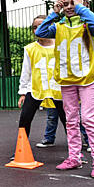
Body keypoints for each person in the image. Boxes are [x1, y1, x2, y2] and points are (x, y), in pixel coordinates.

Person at [35, 0, 94, 178]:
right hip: (67, 80)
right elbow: (40, 32)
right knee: (71, 120)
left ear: (84, 5)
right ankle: (74, 157)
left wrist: (80, 7)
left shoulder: (88, 25)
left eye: (73, 3)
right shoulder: (59, 27)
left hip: (87, 80)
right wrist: (54, 12)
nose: (69, 7)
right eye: (65, 3)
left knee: (89, 119)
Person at [17, 15, 66, 149]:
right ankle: (21, 150)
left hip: (58, 89)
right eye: (34, 27)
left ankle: (75, 152)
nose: (37, 29)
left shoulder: (61, 45)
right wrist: (22, 92)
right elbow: (26, 71)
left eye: (41, 25)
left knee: (68, 120)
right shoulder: (30, 48)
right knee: (25, 118)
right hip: (36, 89)